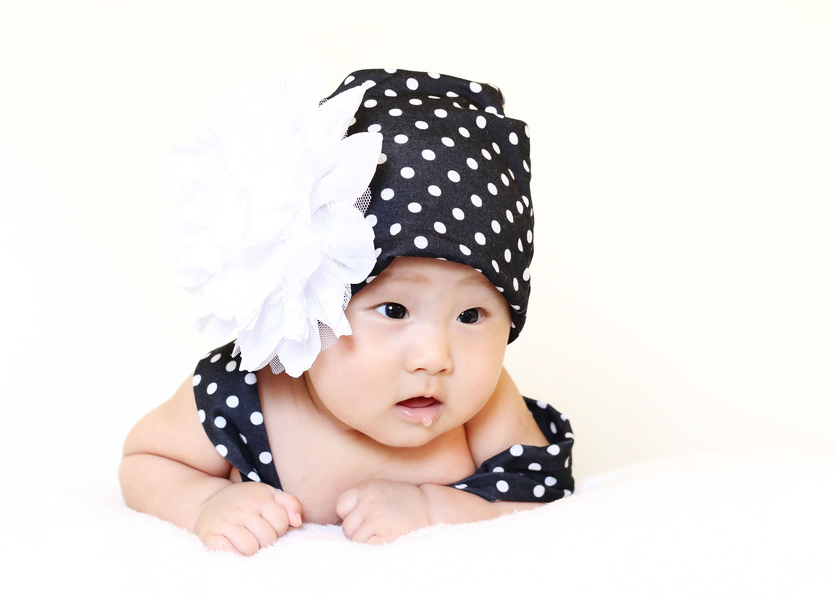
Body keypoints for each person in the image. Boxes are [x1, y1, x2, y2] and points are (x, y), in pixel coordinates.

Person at [119, 67, 574, 555]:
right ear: (310, 303)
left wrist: (433, 508)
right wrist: (205, 502)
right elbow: (147, 460)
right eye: (394, 309)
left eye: (471, 316)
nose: (435, 357)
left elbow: (539, 489)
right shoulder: (246, 388)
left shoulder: (486, 404)